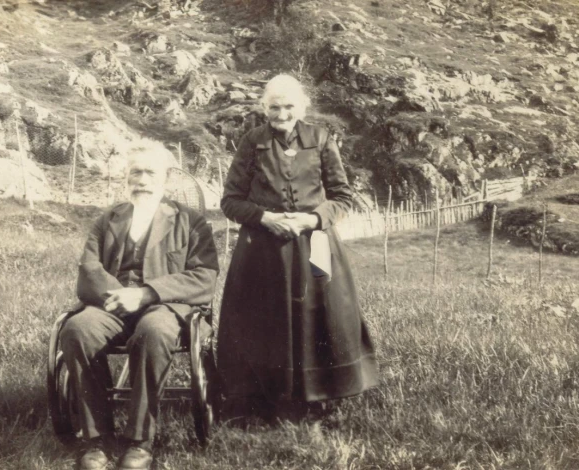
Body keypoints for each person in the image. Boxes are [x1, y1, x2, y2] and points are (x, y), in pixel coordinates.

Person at [217, 74, 379, 420]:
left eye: (288, 106)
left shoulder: (321, 140)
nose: (281, 113)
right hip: (262, 248)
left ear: (301, 107)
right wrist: (265, 218)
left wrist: (312, 220)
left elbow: (342, 196)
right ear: (264, 109)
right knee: (265, 317)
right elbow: (230, 201)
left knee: (322, 309)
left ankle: (320, 395)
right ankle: (266, 398)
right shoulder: (252, 142)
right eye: (274, 107)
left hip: (317, 243)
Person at [59, 142, 219, 470]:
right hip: (112, 305)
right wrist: (120, 296)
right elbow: (89, 270)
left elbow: (204, 277)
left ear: (166, 179)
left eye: (150, 173)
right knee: (77, 329)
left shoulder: (191, 222)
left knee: (154, 330)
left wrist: (146, 294)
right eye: (136, 172)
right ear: (126, 177)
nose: (142, 180)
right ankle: (97, 439)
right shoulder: (109, 220)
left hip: (166, 308)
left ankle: (140, 442)